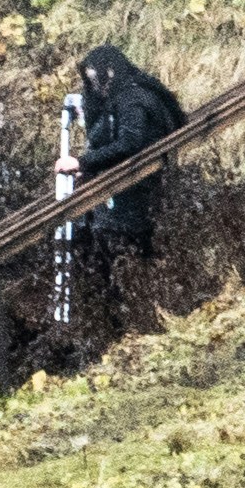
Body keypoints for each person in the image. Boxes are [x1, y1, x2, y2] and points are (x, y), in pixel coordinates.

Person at [55, 41, 184, 351]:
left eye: (94, 77)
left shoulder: (133, 100)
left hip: (137, 196)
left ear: (110, 73)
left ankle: (129, 321)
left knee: (121, 249)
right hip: (129, 194)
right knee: (107, 243)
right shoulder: (126, 96)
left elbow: (130, 143)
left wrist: (82, 163)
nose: (93, 85)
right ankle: (121, 320)